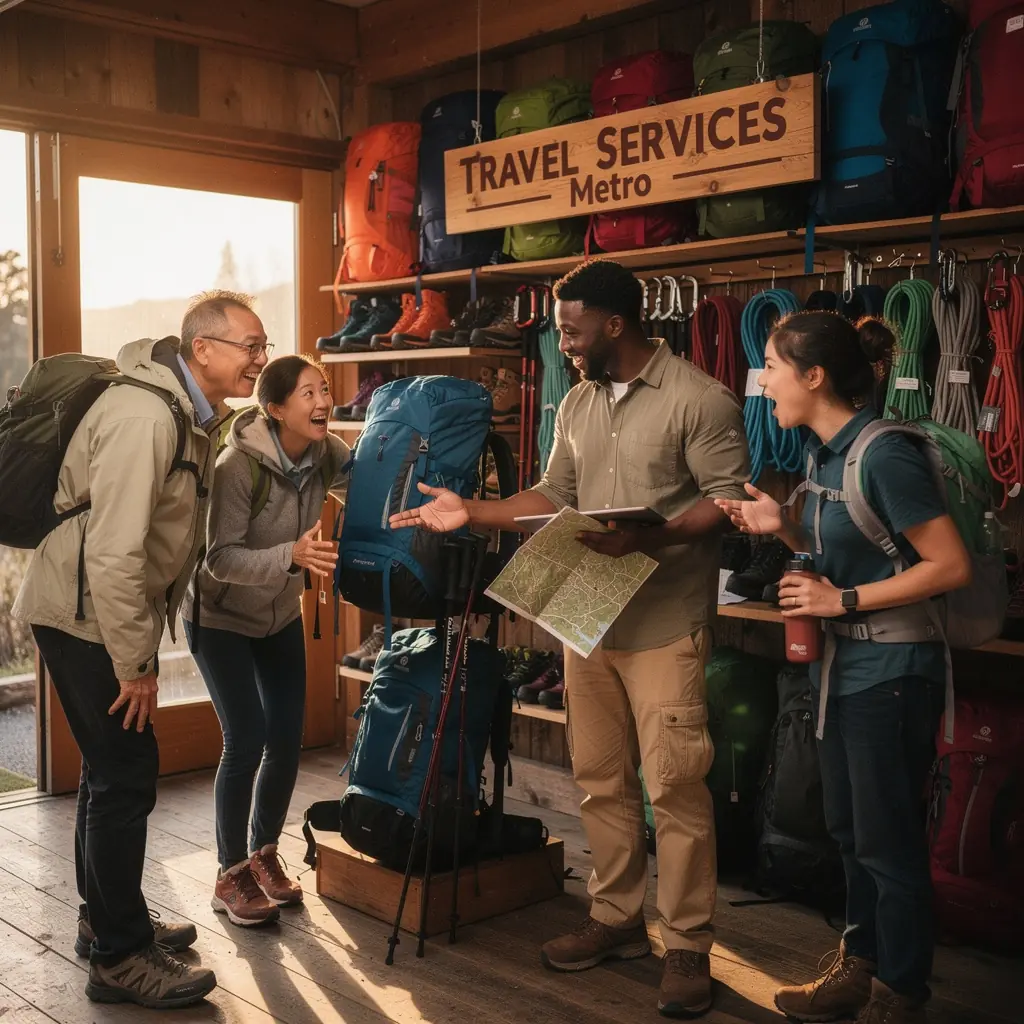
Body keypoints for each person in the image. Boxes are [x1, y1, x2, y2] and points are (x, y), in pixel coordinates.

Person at [389, 259, 749, 1019]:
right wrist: (472, 511)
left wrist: (651, 537)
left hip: (665, 625)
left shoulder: (700, 399)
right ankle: (616, 919)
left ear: (615, 324)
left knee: (674, 787)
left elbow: (727, 504)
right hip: (589, 618)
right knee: (599, 776)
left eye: (572, 331)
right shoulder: (579, 399)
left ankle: (688, 943)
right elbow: (555, 495)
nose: (564, 342)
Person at [14, 290, 270, 1009]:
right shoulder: (146, 416)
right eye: (250, 345)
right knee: (126, 775)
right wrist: (135, 664)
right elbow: (116, 551)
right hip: (86, 614)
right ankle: (120, 957)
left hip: (93, 609)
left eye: (264, 345)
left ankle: (105, 922)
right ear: (202, 350)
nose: (261, 358)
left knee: (109, 771)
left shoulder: (184, 415)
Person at [715, 312, 970, 1024]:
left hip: (892, 672)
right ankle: (860, 968)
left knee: (887, 842)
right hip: (842, 669)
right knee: (851, 832)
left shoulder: (884, 454)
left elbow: (948, 564)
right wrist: (786, 528)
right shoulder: (824, 456)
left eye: (771, 367)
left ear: (815, 376)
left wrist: (842, 599)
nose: (763, 381)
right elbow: (856, 547)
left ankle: (900, 993)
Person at [182, 355, 348, 927]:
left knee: (285, 737)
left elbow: (368, 486)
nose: (323, 402)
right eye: (308, 394)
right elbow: (219, 559)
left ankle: (264, 853)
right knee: (246, 739)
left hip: (278, 617)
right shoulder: (237, 466)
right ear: (275, 409)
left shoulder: (326, 453)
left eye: (324, 389)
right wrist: (291, 556)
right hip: (219, 617)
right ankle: (230, 873)